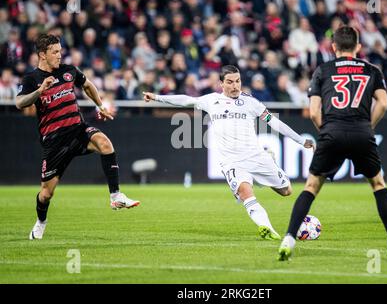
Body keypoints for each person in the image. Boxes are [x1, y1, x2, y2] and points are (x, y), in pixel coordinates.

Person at [278, 26, 387, 261]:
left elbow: (314, 112)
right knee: (378, 184)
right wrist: (368, 126)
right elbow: (383, 102)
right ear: (358, 46)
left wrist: (327, 131)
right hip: (361, 132)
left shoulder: (323, 70)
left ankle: (288, 239)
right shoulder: (372, 70)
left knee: (311, 187)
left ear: (334, 47)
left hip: (332, 132)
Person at [143, 65, 314, 240]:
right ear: (221, 84)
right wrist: (157, 97)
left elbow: (274, 123)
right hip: (232, 162)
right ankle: (267, 228)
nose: (235, 86)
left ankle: (269, 164)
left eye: (238, 81)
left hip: (256, 156)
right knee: (245, 193)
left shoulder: (251, 102)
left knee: (286, 191)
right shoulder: (211, 100)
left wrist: (300, 140)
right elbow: (186, 100)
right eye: (230, 82)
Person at [15, 34, 140, 240]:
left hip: (78, 130)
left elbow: (88, 85)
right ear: (42, 55)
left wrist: (100, 105)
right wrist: (39, 91)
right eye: (54, 51)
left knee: (104, 143)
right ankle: (41, 222)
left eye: (60, 50)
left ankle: (116, 196)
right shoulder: (31, 79)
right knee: (46, 194)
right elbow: (20, 103)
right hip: (54, 142)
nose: (59, 54)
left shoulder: (68, 70)